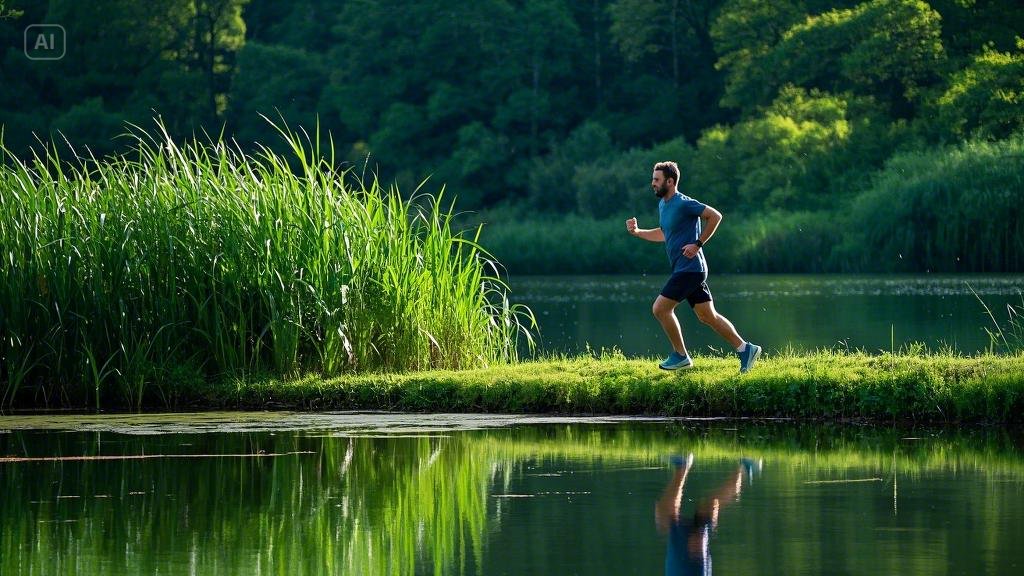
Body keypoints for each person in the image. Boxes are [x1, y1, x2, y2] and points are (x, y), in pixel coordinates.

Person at [625, 161, 761, 372]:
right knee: (707, 315)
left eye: (656, 180)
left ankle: (681, 356)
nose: (652, 183)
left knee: (660, 308)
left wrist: (698, 244)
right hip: (687, 269)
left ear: (670, 181)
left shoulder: (683, 203)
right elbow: (664, 233)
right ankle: (746, 349)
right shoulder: (663, 205)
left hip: (690, 269)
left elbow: (715, 216)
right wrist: (638, 232)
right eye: (653, 179)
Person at [655, 453, 762, 575]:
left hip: (683, 556)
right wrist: (699, 545)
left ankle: (683, 465)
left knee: (667, 514)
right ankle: (744, 467)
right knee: (704, 509)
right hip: (689, 556)